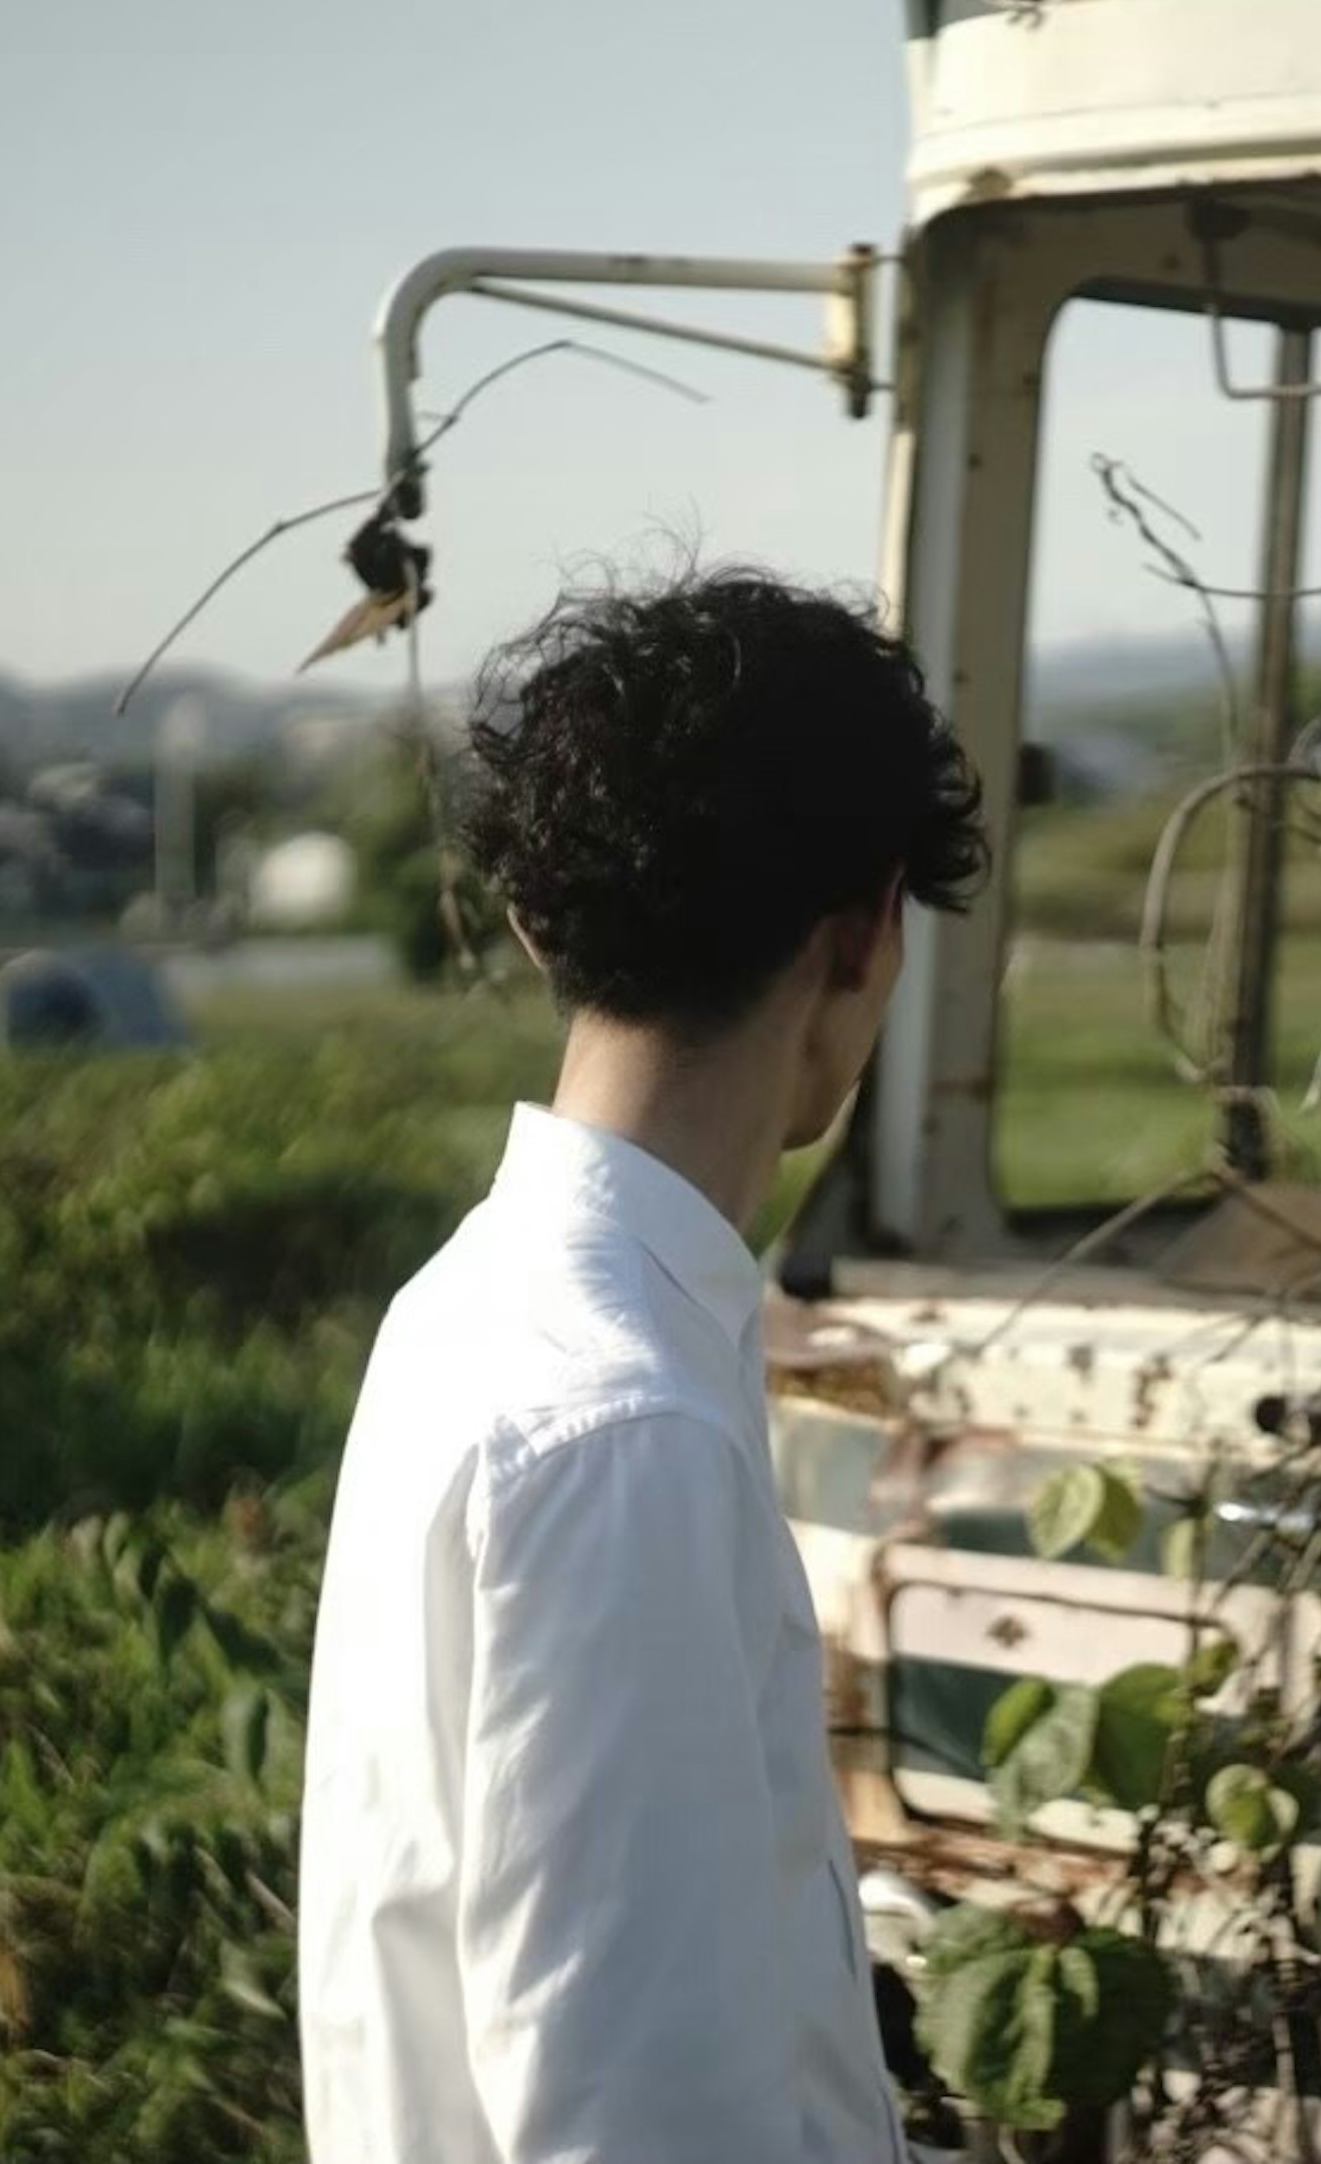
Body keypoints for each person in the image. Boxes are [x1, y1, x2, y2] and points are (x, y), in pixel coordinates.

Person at [298, 567, 988, 2163]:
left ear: (541, 915)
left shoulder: (477, 1306)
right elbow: (638, 2120)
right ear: (870, 929)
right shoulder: (625, 1421)